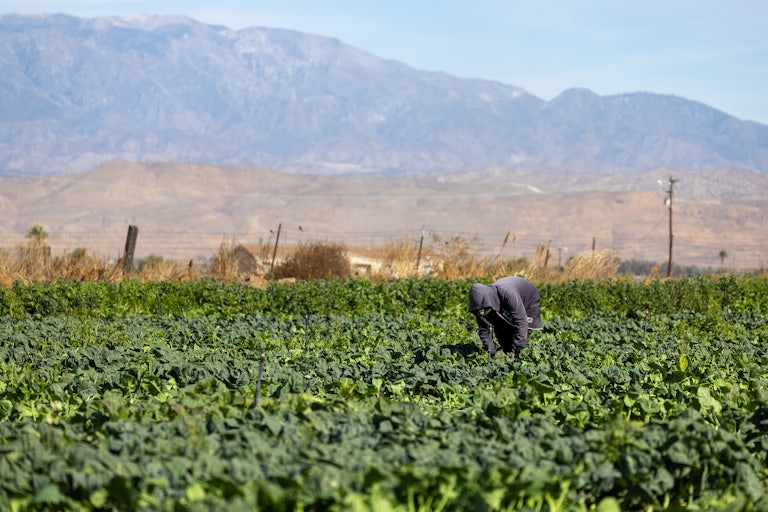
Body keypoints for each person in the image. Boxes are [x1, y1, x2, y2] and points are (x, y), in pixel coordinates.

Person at [468, 276, 542, 358]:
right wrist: (490, 350)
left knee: (522, 334)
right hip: (507, 297)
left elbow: (521, 320)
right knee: (502, 332)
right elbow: (484, 329)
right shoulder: (480, 307)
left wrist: (518, 346)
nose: (482, 313)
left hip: (528, 297)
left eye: (485, 310)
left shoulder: (508, 294)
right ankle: (508, 350)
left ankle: (518, 356)